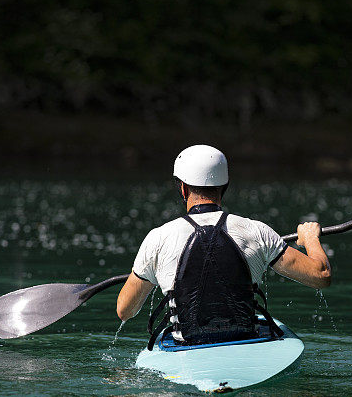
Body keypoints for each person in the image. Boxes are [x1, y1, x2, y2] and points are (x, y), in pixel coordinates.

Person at [116, 145, 331, 346]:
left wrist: (149, 272)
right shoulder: (256, 231)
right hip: (246, 340)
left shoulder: (158, 239)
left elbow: (124, 311)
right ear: (224, 186)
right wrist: (310, 238)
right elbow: (321, 276)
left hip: (186, 348)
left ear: (183, 189)